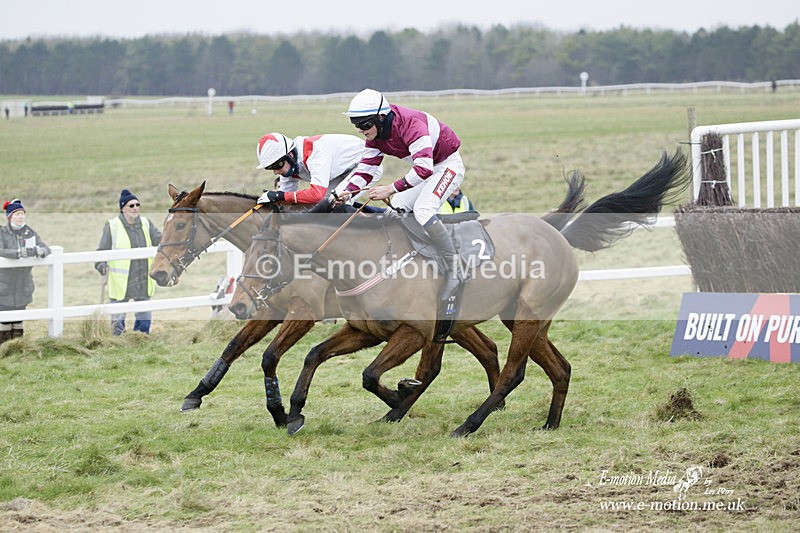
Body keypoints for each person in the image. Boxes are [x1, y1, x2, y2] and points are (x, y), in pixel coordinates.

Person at [339, 89, 467, 310]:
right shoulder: (375, 135)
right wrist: (347, 193)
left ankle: (456, 269)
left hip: (447, 166)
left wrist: (389, 188)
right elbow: (366, 170)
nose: (361, 130)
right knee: (395, 210)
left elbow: (424, 169)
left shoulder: (410, 124)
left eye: (364, 124)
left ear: (381, 117)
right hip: (425, 169)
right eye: (356, 124)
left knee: (424, 210)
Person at [95, 189, 162, 335]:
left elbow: (161, 240)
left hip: (143, 279)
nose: (135, 208)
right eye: (131, 205)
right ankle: (117, 341)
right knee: (118, 320)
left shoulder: (146, 223)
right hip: (121, 283)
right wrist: (100, 265)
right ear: (122, 208)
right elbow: (101, 250)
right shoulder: (112, 226)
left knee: (144, 317)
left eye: (137, 205)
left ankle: (141, 339)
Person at [255, 132, 375, 206]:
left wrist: (279, 196)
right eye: (270, 168)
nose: (276, 171)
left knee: (337, 203)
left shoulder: (314, 153)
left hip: (365, 164)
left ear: (290, 155)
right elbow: (286, 198)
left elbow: (317, 194)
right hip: (340, 171)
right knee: (322, 207)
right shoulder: (288, 164)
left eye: (277, 165)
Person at [0, 199, 50, 344]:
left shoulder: (30, 232)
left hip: (23, 284)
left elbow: (45, 247)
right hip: (5, 284)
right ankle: (4, 349)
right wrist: (17, 253)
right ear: (10, 217)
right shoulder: (2, 232)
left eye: (22, 214)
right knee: (5, 319)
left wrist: (41, 251)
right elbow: (1, 250)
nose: (21, 217)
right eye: (17, 214)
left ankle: (17, 348)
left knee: (19, 318)